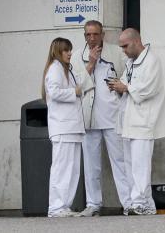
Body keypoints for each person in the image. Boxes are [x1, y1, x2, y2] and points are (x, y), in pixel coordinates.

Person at [72, 20, 132, 217]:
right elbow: (76, 86)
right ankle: (93, 204)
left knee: (120, 161)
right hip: (89, 119)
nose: (92, 38)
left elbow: (128, 75)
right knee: (91, 165)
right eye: (88, 35)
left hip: (113, 117)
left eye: (95, 34)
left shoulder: (116, 52)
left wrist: (120, 85)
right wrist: (90, 63)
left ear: (102, 34)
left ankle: (128, 202)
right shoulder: (78, 57)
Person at [108, 28, 165, 216]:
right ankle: (147, 204)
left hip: (144, 121)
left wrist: (125, 87)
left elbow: (149, 89)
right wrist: (118, 87)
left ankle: (139, 203)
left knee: (140, 165)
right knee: (131, 164)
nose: (123, 50)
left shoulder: (152, 61)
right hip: (129, 121)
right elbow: (128, 87)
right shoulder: (131, 63)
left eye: (125, 46)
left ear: (136, 41)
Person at [41, 37, 84, 218]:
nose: (70, 53)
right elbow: (54, 92)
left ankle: (64, 205)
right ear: (58, 51)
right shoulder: (55, 69)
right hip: (63, 127)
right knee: (62, 168)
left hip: (72, 127)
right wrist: (73, 92)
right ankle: (56, 207)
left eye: (70, 50)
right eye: (66, 50)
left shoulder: (66, 69)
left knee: (72, 169)